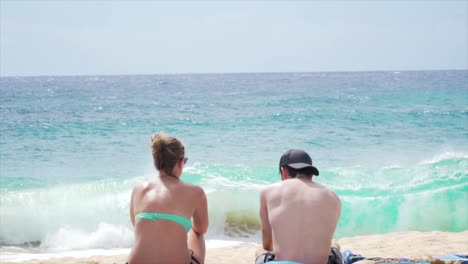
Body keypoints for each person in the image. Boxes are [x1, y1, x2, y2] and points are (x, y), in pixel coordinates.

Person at [128, 132, 208, 264]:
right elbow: (202, 228)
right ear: (180, 163)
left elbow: (136, 225)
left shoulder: (138, 190)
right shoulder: (195, 192)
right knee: (197, 231)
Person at [256, 149, 342, 264]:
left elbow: (267, 245)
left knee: (260, 251)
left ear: (284, 171)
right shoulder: (333, 197)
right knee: (334, 245)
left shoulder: (267, 192)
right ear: (311, 175)